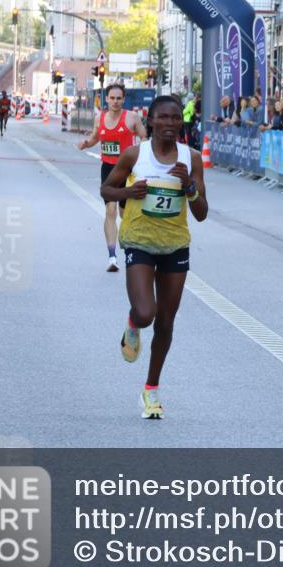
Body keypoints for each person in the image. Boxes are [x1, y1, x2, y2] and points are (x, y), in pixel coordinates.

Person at [101, 96, 208, 419]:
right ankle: (134, 323)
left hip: (175, 244)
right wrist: (128, 193)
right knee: (147, 312)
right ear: (151, 121)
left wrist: (189, 187)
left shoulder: (191, 159)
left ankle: (151, 390)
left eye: (176, 118)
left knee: (165, 323)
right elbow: (107, 190)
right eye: (164, 118)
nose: (171, 124)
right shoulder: (136, 155)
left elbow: (201, 213)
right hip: (139, 240)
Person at [77, 83, 148, 272]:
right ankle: (112, 256)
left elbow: (144, 137)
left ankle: (131, 249)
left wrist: (140, 153)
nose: (115, 102)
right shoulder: (99, 117)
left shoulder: (132, 117)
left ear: (123, 99)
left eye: (119, 98)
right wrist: (86, 144)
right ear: (106, 99)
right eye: (112, 98)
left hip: (127, 170)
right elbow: (94, 138)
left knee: (125, 215)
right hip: (108, 170)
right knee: (110, 211)